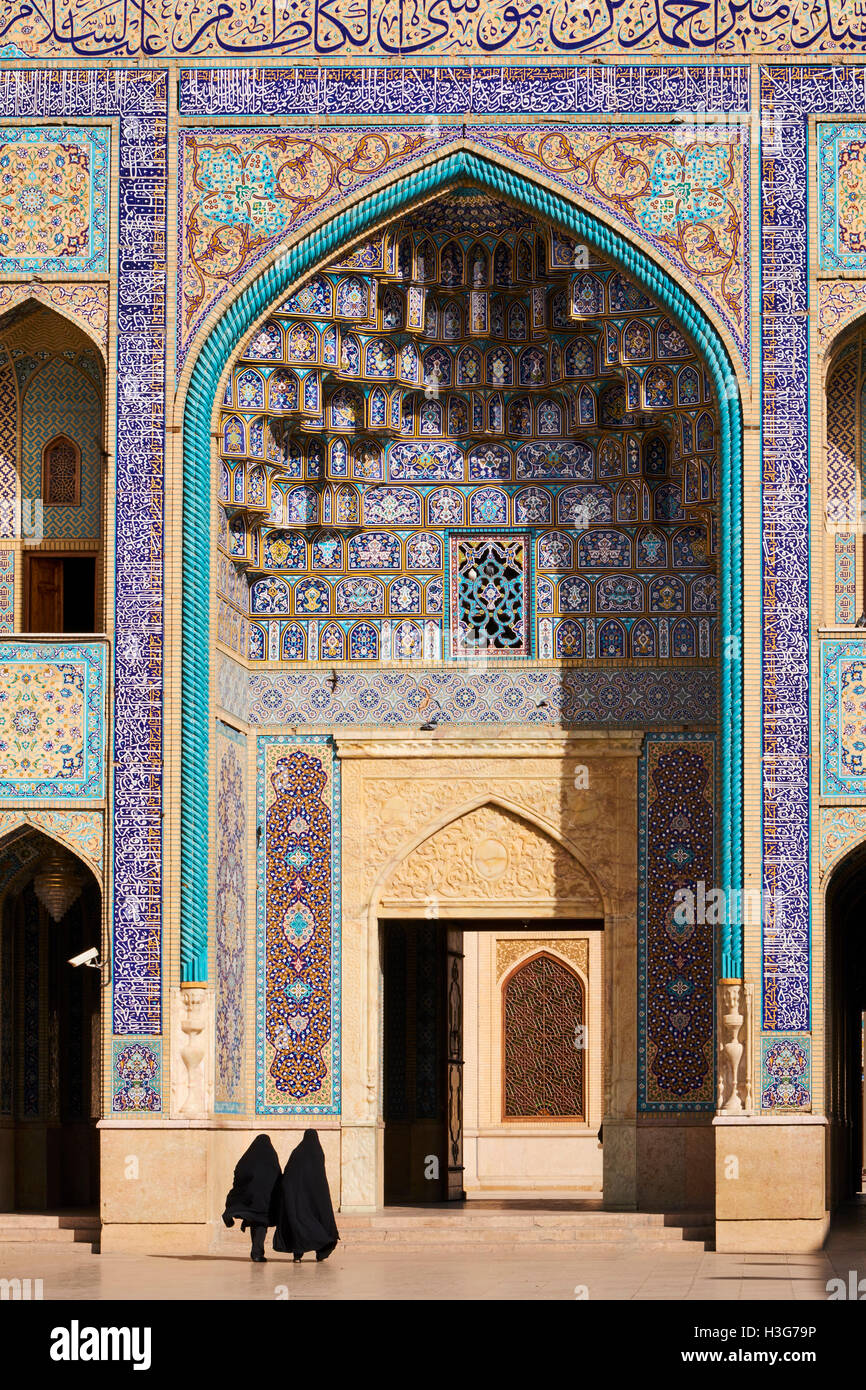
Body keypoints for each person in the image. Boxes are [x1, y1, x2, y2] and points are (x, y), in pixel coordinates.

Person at [273, 1129, 340, 1262]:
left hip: (297, 1197)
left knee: (298, 1223)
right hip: (315, 1197)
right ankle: (321, 1253)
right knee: (319, 1221)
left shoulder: (297, 1152)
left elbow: (288, 1174)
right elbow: (319, 1177)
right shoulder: (317, 1152)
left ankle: (297, 1255)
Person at [222, 1134, 282, 1262]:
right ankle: (257, 1253)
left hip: (251, 1197)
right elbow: (278, 1175)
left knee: (254, 1220)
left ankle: (229, 1213)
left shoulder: (248, 1157)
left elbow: (239, 1172)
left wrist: (244, 1185)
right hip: (265, 1199)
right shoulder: (271, 1156)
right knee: (261, 1223)